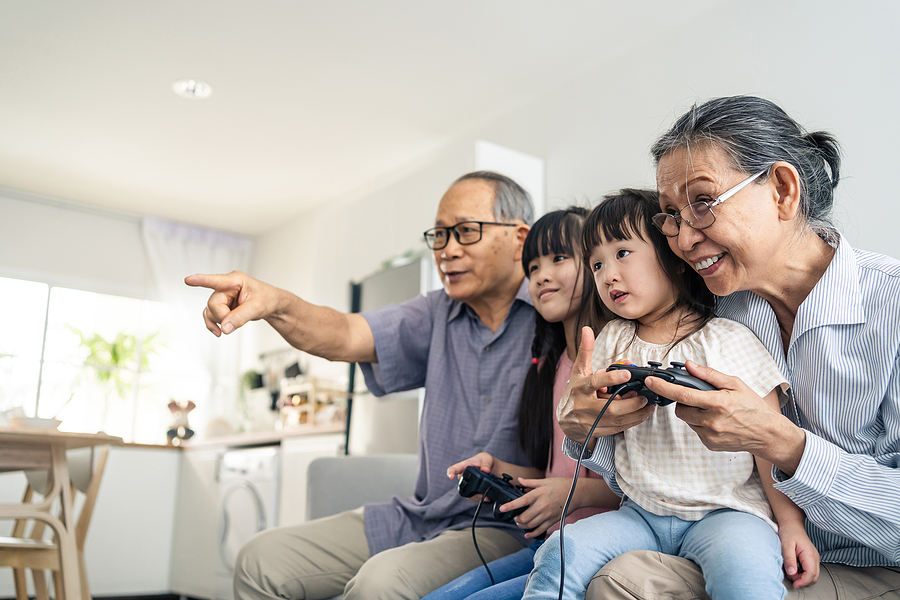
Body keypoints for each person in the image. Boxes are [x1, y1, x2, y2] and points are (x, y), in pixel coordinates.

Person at [558, 96, 900, 599]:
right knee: (611, 579)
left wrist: (783, 444)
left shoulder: (890, 304)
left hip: (869, 564)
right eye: (671, 216)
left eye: (702, 202)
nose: (683, 238)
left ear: (782, 190)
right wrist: (587, 428)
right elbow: (657, 465)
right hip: (732, 540)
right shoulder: (714, 312)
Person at [185, 171, 540, 600]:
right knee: (261, 559)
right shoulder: (435, 314)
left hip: (505, 528)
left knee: (380, 583)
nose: (447, 250)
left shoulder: (559, 314)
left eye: (465, 232)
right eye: (440, 235)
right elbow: (344, 333)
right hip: (420, 517)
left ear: (520, 238)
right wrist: (274, 302)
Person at [523, 189, 817, 600]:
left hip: (727, 513)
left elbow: (768, 443)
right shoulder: (610, 342)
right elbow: (592, 424)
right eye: (597, 263)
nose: (608, 274)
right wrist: (577, 411)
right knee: (559, 551)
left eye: (623, 252)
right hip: (640, 513)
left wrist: (790, 524)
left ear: (674, 259)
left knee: (747, 575)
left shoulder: (728, 339)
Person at [423, 207, 620, 600]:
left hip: (600, 544)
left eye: (559, 259)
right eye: (533, 267)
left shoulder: (615, 361)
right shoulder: (548, 367)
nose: (541, 275)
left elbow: (643, 488)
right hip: (548, 543)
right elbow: (554, 469)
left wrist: (572, 495)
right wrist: (498, 470)